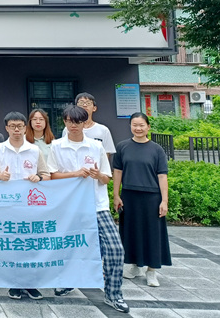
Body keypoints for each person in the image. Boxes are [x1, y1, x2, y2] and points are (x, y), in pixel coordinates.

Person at [49, 105, 129, 314]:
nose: (73, 126)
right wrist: (75, 173)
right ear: (64, 122)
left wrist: (97, 175)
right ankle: (68, 281)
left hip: (97, 205)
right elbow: (52, 175)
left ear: (85, 123)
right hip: (69, 206)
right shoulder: (57, 146)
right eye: (69, 121)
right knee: (69, 246)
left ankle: (113, 294)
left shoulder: (95, 146)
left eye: (77, 122)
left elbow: (106, 178)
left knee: (115, 249)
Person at [0, 112, 50, 301]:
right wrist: (0, 176)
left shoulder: (34, 150)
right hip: (6, 204)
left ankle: (30, 284)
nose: (16, 130)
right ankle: (14, 284)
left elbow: (46, 175)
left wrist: (38, 177)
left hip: (29, 205)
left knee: (30, 244)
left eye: (20, 126)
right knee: (12, 245)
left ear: (25, 128)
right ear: (6, 128)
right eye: (13, 126)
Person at [113, 112, 171, 288]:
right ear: (130, 126)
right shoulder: (122, 147)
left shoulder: (156, 149)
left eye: (141, 125)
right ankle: (134, 266)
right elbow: (118, 172)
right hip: (129, 196)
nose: (138, 128)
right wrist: (116, 195)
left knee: (153, 234)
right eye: (134, 125)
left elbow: (162, 176)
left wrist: (164, 201)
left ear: (148, 127)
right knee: (131, 232)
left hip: (152, 197)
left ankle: (151, 270)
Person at [65, 93, 116, 161]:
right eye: (81, 103)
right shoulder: (68, 129)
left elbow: (106, 154)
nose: (84, 105)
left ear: (94, 108)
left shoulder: (103, 130)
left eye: (88, 103)